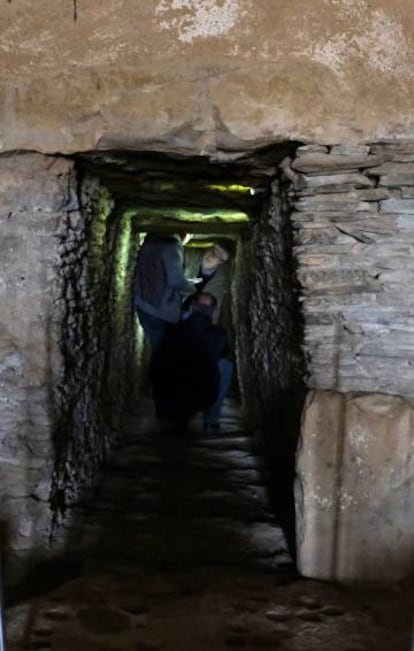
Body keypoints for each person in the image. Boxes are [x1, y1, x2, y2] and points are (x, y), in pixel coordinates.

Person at [152, 292, 233, 432]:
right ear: (212, 311)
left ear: (192, 308)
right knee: (225, 366)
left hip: (172, 398)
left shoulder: (172, 330)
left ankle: (176, 416)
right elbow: (223, 353)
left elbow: (156, 365)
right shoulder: (219, 334)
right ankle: (211, 420)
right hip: (203, 397)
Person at [133, 232, 196, 349]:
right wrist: (193, 290)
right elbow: (176, 280)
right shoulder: (172, 246)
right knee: (168, 351)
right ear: (186, 234)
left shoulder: (148, 243)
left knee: (159, 348)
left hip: (142, 304)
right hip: (161, 309)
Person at [183, 240, 233, 324]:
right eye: (213, 252)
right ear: (208, 248)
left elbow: (214, 307)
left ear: (220, 262)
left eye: (218, 256)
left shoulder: (219, 277)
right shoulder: (189, 256)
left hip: (189, 316)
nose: (212, 257)